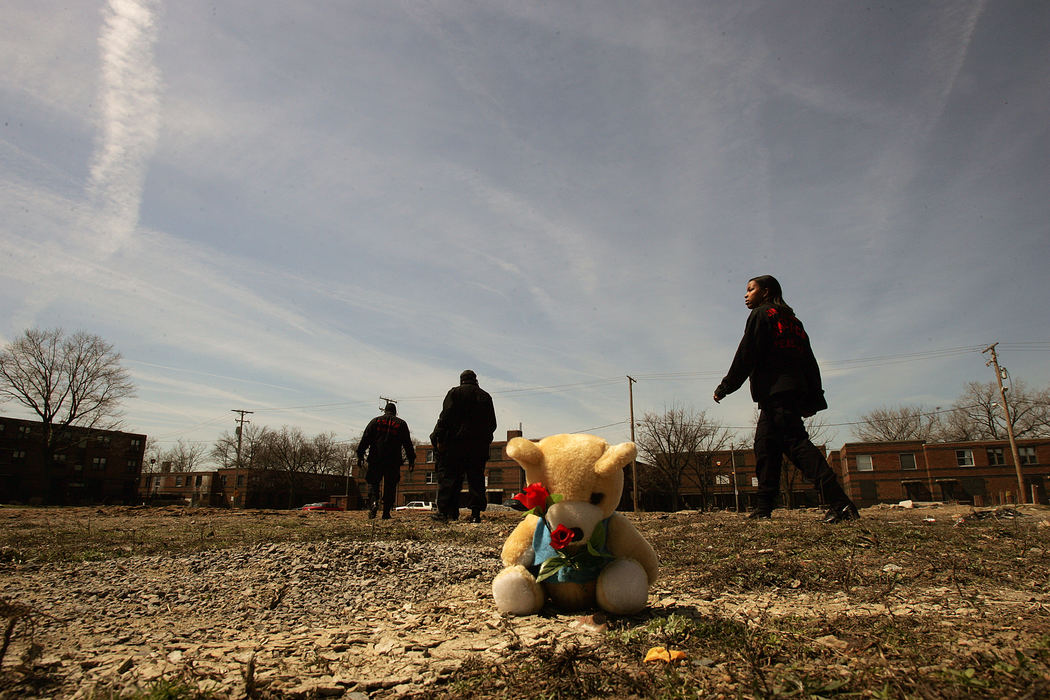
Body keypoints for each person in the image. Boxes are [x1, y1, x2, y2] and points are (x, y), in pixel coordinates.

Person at [713, 275, 859, 523]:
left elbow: (746, 354)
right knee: (765, 448)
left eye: (751, 290)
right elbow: (809, 361)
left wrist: (726, 386)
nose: (746, 295)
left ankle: (841, 504)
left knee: (797, 445)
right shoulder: (794, 322)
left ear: (766, 292)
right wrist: (814, 397)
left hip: (777, 393)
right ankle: (764, 508)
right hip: (788, 394)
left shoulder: (762, 315)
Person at [430, 370, 497, 523]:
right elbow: (492, 423)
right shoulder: (485, 397)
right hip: (478, 446)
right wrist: (485, 439)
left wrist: (440, 438)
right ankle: (475, 514)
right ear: (475, 380)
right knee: (476, 479)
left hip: (455, 444)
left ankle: (445, 513)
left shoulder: (454, 393)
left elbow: (444, 418)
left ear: (461, 380)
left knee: (450, 479)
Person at [356, 402, 415, 520]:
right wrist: (411, 459)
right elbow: (407, 443)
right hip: (393, 460)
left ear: (385, 411)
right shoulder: (401, 424)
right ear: (395, 412)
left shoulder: (375, 421)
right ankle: (386, 512)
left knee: (373, 483)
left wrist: (360, 454)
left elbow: (365, 439)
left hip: (375, 458)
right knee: (390, 485)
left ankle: (373, 504)